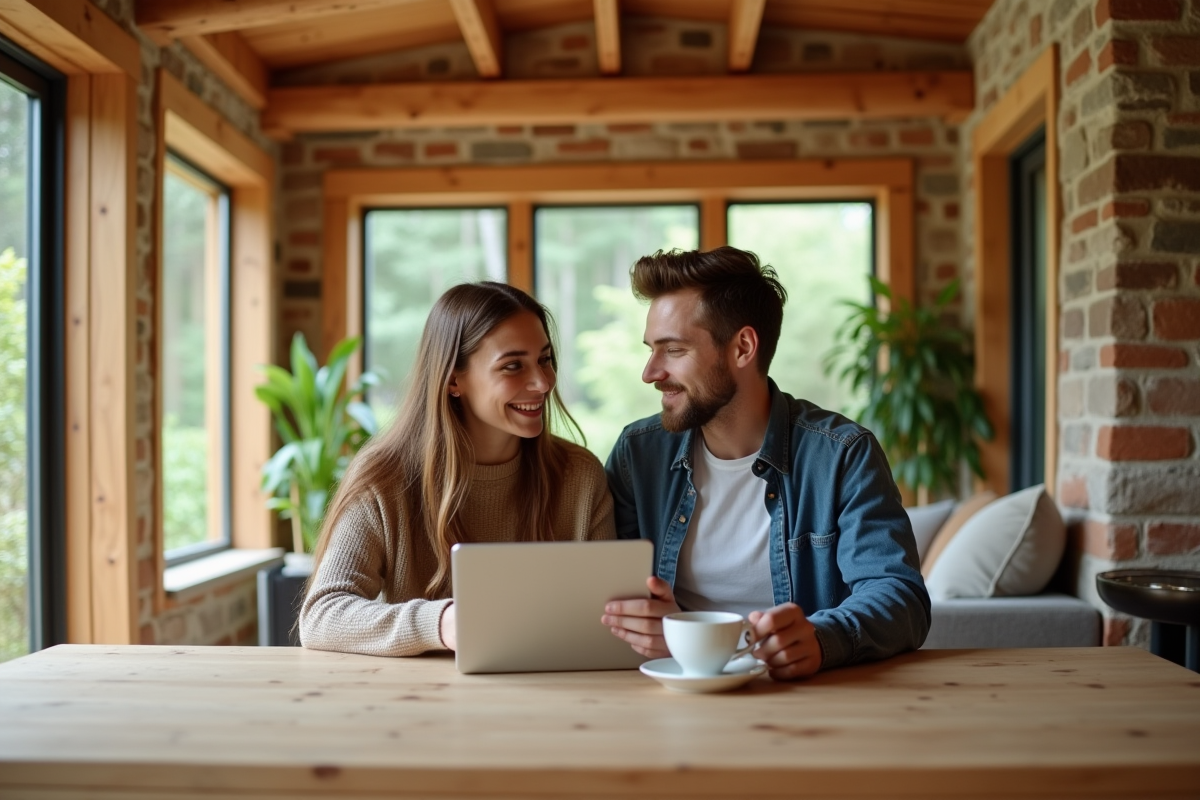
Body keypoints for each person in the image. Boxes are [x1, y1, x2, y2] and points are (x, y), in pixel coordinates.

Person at [601, 246, 929, 680]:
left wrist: (820, 637)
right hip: (670, 692)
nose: (650, 372)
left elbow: (900, 597)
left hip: (803, 701)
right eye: (651, 350)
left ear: (742, 347)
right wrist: (656, 630)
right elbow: (607, 596)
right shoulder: (637, 455)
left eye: (673, 350)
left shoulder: (842, 455)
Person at [301, 281, 615, 657]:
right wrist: (443, 622)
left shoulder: (580, 476)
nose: (542, 382)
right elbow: (322, 616)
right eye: (513, 365)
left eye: (544, 359)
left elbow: (607, 618)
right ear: (453, 380)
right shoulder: (384, 478)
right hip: (420, 703)